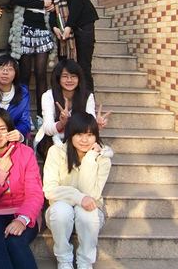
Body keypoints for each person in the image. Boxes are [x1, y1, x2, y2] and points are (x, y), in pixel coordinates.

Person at [0, 107, 44, 269]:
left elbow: (35, 193)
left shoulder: (25, 153)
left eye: (2, 129)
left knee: (15, 241)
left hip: (24, 210)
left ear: (10, 130)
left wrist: (22, 219)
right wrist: (0, 172)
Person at [43, 112, 112, 269]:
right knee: (61, 210)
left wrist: (90, 159)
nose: (85, 140)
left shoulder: (102, 159)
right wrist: (78, 197)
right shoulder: (56, 152)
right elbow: (50, 189)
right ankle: (64, 260)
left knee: (87, 212)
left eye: (90, 135)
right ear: (70, 134)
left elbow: (91, 195)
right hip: (59, 215)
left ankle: (85, 262)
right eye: (79, 134)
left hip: (90, 215)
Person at [41, 0, 99, 92]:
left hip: (82, 24)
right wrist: (55, 27)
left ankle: (87, 105)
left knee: (84, 68)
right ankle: (67, 104)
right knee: (65, 69)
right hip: (62, 30)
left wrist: (69, 26)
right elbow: (52, 9)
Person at [9, 0, 56, 129]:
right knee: (25, 74)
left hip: (43, 28)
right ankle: (24, 115)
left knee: (41, 74)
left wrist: (51, 5)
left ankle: (44, 116)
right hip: (25, 27)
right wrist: (40, 3)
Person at [35, 59, 111, 159]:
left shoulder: (87, 96)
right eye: (65, 76)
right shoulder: (48, 96)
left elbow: (88, 127)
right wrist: (61, 124)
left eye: (73, 76)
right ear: (58, 78)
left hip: (79, 140)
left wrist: (96, 126)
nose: (69, 80)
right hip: (54, 140)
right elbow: (47, 128)